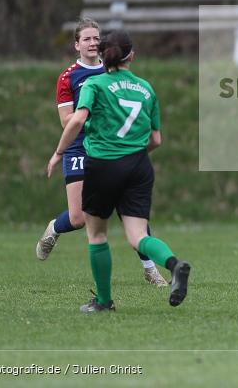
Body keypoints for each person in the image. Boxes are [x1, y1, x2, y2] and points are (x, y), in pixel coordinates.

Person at [46, 30, 192, 312]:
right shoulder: (146, 88)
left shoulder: (95, 83)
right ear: (131, 56)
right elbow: (156, 139)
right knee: (138, 236)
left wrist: (58, 153)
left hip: (103, 165)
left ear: (103, 55)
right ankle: (174, 265)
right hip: (139, 166)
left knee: (97, 235)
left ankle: (104, 301)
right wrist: (132, 154)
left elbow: (76, 121)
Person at [36, 19, 168, 287]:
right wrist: (97, 117)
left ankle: (150, 269)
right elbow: (67, 120)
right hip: (79, 146)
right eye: (86, 39)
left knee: (130, 211)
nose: (92, 43)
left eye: (97, 38)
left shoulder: (112, 69)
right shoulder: (68, 77)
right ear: (76, 45)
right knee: (78, 218)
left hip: (111, 147)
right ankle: (54, 228)